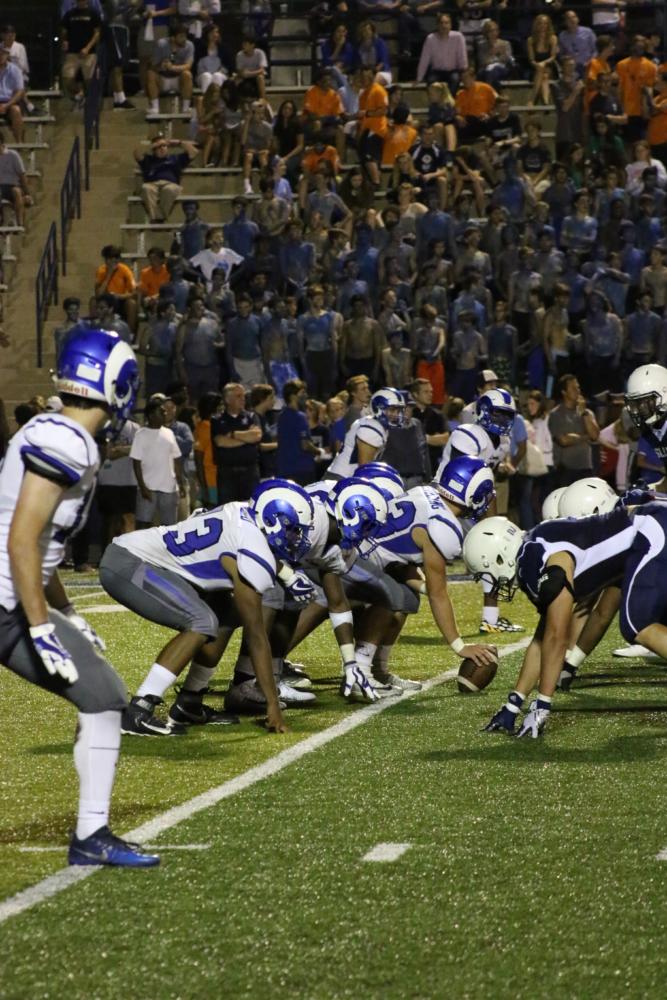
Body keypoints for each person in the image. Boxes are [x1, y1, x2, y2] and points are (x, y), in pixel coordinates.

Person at [0, 326, 159, 866]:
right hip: (7, 606)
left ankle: (92, 835)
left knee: (103, 696)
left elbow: (41, 547)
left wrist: (65, 610)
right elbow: (21, 539)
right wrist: (42, 626)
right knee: (105, 697)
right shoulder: (65, 441)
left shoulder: (58, 431)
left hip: (14, 601)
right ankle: (91, 837)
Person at [99, 480, 316, 736]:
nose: (297, 538)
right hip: (130, 562)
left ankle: (189, 702)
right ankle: (139, 709)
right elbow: (257, 637)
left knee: (227, 612)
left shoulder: (243, 513)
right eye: (293, 530)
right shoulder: (253, 549)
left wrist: (287, 574)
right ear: (272, 521)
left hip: (138, 556)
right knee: (201, 622)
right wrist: (272, 705)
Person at [463, 488, 631, 739]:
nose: (492, 585)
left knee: (641, 626)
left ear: (499, 557)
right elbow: (542, 639)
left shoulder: (534, 562)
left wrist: (543, 705)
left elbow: (557, 637)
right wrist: (513, 703)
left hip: (651, 538)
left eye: (486, 574)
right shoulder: (531, 549)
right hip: (643, 542)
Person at [436, 387, 525, 634]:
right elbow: (464, 477)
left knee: (494, 553)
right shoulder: (468, 434)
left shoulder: (503, 442)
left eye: (508, 416)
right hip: (447, 503)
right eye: (498, 414)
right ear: (484, 412)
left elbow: (487, 483)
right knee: (420, 560)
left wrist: (493, 522)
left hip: (473, 503)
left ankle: (490, 619)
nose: (504, 421)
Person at [131, 398, 186, 529]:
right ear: (151, 415)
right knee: (143, 525)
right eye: (161, 412)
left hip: (169, 488)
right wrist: (142, 487)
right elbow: (136, 463)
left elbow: (176, 459)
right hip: (148, 488)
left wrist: (180, 482)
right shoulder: (141, 434)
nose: (165, 414)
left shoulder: (169, 433)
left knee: (170, 528)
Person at [327, 388, 405, 479]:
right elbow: (364, 467)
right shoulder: (372, 427)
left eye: (398, 410)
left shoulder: (372, 423)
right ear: (377, 408)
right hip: (342, 478)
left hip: (343, 477)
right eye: (392, 410)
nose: (396, 414)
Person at [211, 381, 262, 503]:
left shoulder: (251, 417)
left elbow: (256, 436)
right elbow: (221, 442)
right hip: (227, 475)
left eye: (243, 396)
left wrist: (233, 435)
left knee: (251, 508)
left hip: (249, 473)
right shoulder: (217, 419)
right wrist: (246, 438)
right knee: (227, 511)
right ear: (228, 399)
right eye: (238, 396)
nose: (243, 399)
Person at [548, 373, 600, 486]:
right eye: (573, 388)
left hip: (586, 469)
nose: (577, 390)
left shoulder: (588, 413)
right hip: (566, 471)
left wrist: (584, 413)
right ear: (564, 392)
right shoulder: (556, 414)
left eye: (578, 387)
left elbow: (595, 435)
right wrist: (586, 436)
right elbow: (564, 440)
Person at [134, 134, 198, 224]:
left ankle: (158, 219)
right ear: (154, 149)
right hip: (152, 184)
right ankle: (157, 218)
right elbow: (137, 153)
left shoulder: (175, 158)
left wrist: (177, 142)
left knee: (170, 189)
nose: (162, 148)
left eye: (164, 146)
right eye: (158, 147)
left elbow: (194, 152)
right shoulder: (148, 160)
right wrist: (153, 145)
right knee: (146, 188)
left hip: (170, 184)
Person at [277, 379, 321, 484]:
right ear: (293, 396)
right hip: (302, 470)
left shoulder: (281, 416)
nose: (305, 396)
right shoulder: (300, 417)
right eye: (302, 393)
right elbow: (305, 445)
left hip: (284, 470)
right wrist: (320, 452)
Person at [146, 21, 194, 118]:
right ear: (173, 38)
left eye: (185, 36)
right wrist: (161, 66)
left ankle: (185, 108)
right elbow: (152, 66)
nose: (184, 39)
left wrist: (172, 67)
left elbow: (188, 66)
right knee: (150, 74)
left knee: (187, 74)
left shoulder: (189, 45)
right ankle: (155, 108)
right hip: (163, 79)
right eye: (181, 37)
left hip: (178, 80)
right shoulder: (161, 44)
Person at [60, 0, 101, 108]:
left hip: (89, 53)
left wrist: (87, 48)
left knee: (90, 80)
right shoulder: (69, 14)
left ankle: (90, 102)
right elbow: (64, 30)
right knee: (67, 79)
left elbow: (97, 33)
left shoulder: (93, 13)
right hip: (72, 52)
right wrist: (64, 40)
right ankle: (80, 94)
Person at [416, 12, 468, 90]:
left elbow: (462, 57)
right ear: (437, 25)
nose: (444, 26)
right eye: (441, 23)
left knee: (455, 79)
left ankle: (450, 102)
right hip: (436, 71)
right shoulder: (430, 39)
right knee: (431, 81)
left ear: (450, 25)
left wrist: (465, 74)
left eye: (446, 23)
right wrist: (419, 78)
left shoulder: (458, 37)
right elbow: (424, 60)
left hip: (453, 71)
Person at [94, 244, 137, 334]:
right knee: (93, 301)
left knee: (131, 304)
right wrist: (109, 275)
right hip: (106, 299)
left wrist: (120, 296)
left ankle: (130, 333)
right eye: (109, 259)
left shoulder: (125, 270)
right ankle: (95, 330)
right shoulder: (101, 271)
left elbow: (133, 292)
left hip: (121, 299)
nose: (113, 262)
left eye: (116, 259)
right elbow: (98, 294)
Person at [193, 390, 221, 507]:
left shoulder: (216, 425)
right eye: (220, 406)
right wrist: (204, 487)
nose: (222, 409)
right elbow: (198, 458)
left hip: (220, 479)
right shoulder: (204, 427)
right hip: (211, 482)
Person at [0, 46, 24, 143]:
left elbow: (19, 91)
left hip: (10, 102)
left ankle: (19, 143)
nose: (0, 56)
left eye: (2, 53)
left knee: (16, 111)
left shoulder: (15, 70)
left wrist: (6, 105)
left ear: (7, 55)